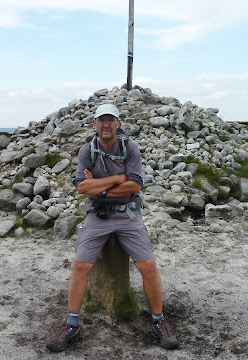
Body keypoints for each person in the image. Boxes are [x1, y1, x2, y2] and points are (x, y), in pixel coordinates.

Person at [46, 103, 179, 351]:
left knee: (148, 266)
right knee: (80, 266)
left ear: (118, 124)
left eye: (111, 120)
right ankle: (71, 324)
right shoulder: (87, 150)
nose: (106, 124)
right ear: (94, 124)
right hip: (97, 215)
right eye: (101, 120)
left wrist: (100, 185)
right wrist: (118, 179)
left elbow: (135, 186)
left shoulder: (130, 148)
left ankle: (159, 321)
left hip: (129, 215)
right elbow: (82, 188)